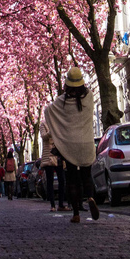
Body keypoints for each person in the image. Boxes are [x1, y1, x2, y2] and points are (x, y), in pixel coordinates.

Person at [43, 66, 99, 224]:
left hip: (70, 146)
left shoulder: (62, 101)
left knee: (72, 179)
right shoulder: (89, 96)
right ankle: (90, 197)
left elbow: (48, 111)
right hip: (86, 142)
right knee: (87, 175)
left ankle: (76, 214)